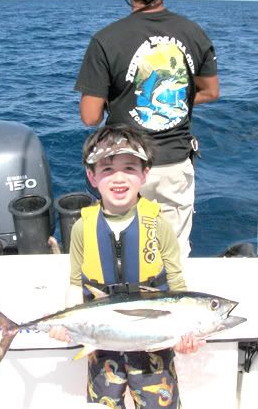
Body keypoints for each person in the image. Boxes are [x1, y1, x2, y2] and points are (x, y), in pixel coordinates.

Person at [74, 0, 219, 262]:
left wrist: (124, 101)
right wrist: (171, 101)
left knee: (123, 254)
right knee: (173, 255)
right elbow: (210, 91)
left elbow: (90, 116)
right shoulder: (194, 33)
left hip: (125, 167)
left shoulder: (105, 40)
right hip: (174, 165)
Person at [50, 124, 203, 408]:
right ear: (91, 176)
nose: (118, 178)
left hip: (154, 344)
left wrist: (186, 335)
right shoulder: (83, 228)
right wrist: (64, 324)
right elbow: (75, 282)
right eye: (107, 169)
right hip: (100, 342)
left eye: (129, 168)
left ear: (145, 174)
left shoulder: (159, 225)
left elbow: (178, 287)